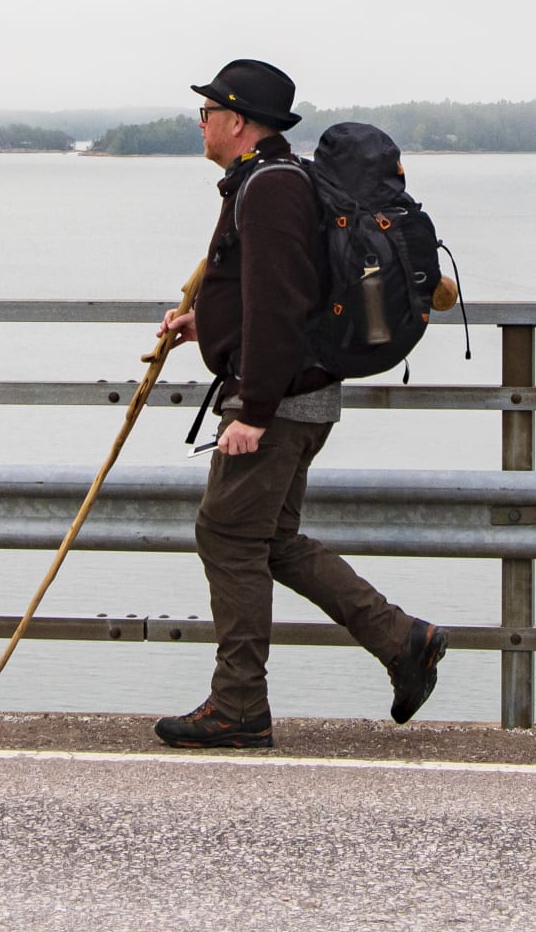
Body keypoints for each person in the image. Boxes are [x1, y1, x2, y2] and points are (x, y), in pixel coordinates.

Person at [155, 58, 446, 749]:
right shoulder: (269, 181)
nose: (200, 124)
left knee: (226, 534)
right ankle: (402, 639)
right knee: (271, 540)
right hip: (294, 392)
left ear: (236, 121)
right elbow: (278, 292)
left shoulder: (272, 189)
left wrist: (253, 413)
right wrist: (210, 324)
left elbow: (281, 307)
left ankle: (239, 705)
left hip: (278, 401)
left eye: (207, 112)